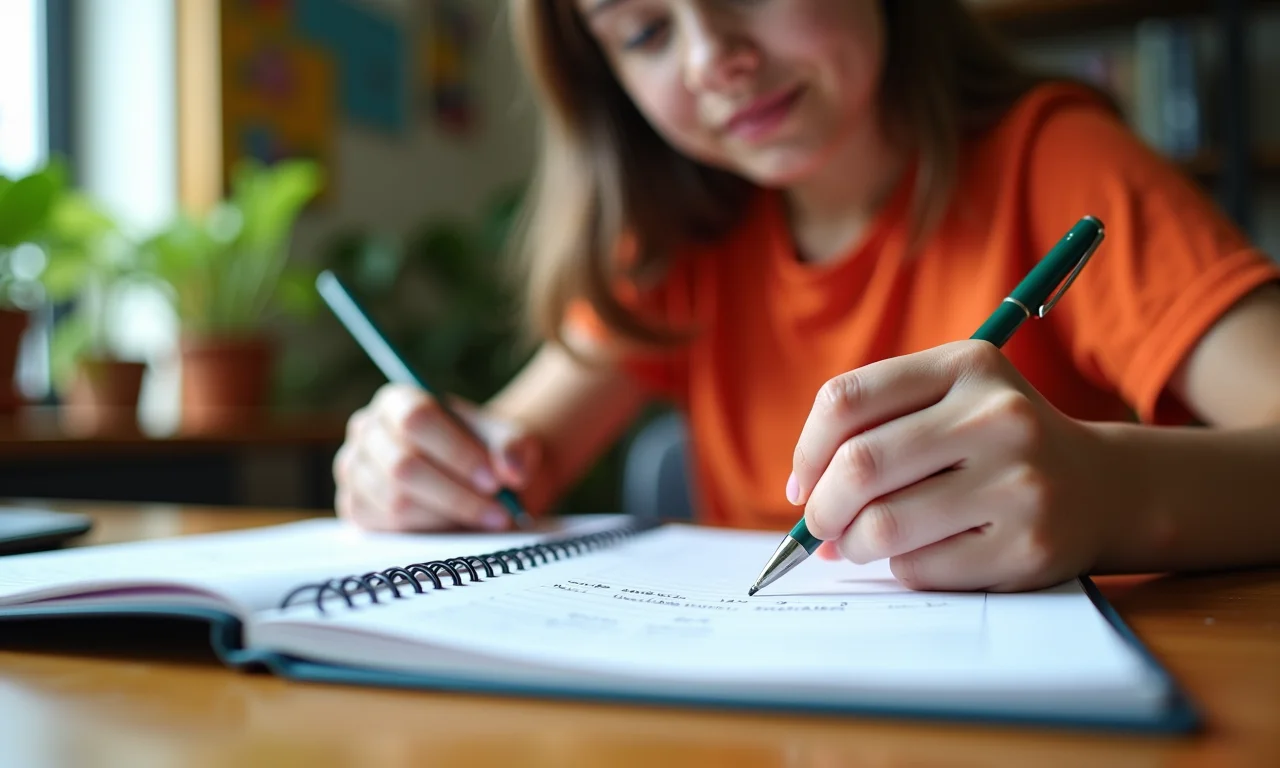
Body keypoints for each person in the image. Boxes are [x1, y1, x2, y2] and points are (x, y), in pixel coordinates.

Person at [332, 0, 1280, 593]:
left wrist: (1112, 494)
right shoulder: (681, 243)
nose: (712, 57)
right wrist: (418, 462)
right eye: (647, 31)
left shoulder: (1056, 166)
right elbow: (505, 461)